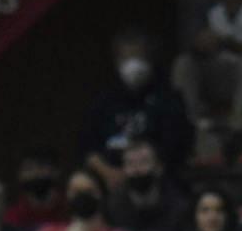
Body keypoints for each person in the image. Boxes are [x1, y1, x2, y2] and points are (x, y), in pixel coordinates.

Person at [79, 27, 192, 184]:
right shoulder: (104, 101)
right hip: (111, 178)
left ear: (149, 59)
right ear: (116, 62)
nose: (133, 65)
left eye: (138, 57)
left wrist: (143, 170)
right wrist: (109, 173)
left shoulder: (168, 99)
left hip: (155, 179)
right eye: (126, 58)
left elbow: (175, 146)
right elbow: (88, 147)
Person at [171, 0, 242, 139]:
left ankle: (240, 130)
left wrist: (226, 41)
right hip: (213, 70)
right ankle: (184, 128)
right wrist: (200, 43)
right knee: (183, 63)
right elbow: (189, 42)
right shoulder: (202, 1)